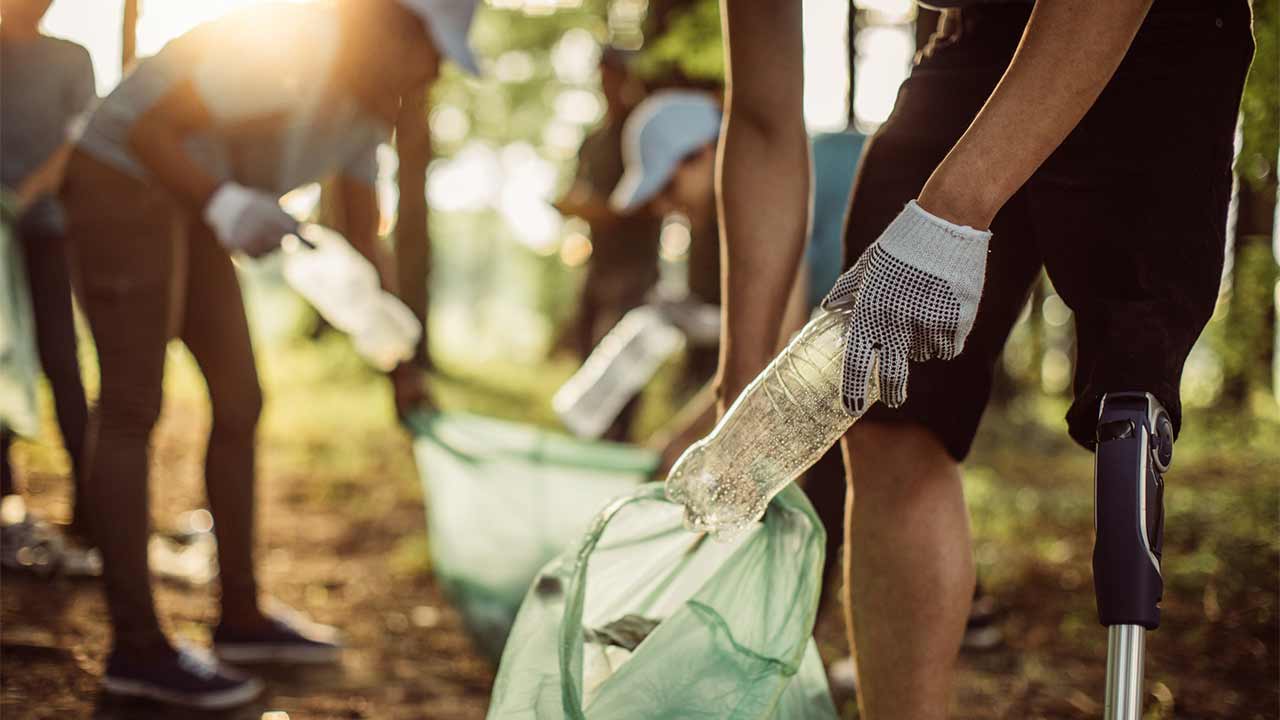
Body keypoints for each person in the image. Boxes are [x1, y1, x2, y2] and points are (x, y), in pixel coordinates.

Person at [711, 0, 1254, 717]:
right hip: (971, 36)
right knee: (883, 401)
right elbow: (760, 118)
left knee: (1130, 392)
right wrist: (744, 393)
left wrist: (950, 213)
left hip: (1139, 23)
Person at [60, 0, 479, 709]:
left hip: (189, 199)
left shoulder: (369, 108)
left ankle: (242, 618)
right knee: (132, 404)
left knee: (241, 398)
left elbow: (360, 225)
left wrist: (398, 360)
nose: (431, 71)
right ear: (387, 23)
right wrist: (225, 202)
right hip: (122, 174)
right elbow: (157, 128)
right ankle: (136, 648)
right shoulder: (292, 46)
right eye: (428, 49)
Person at [0, 0, 96, 569]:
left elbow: (78, 139)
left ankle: (92, 507)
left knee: (62, 361)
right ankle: (6, 500)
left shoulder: (71, 59)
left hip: (48, 233)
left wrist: (26, 194)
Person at [553, 48, 660, 440]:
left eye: (613, 74)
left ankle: (620, 435)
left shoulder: (641, 133)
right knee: (588, 349)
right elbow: (580, 190)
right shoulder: (593, 138)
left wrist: (596, 210)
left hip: (636, 266)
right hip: (597, 262)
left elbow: (646, 202)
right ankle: (590, 433)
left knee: (621, 353)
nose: (606, 83)